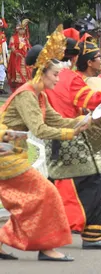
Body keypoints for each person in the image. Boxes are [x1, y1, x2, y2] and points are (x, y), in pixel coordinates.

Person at [0, 27, 91, 262]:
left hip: (13, 152)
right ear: (41, 73)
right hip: (4, 152)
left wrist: (81, 121)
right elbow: (40, 130)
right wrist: (70, 134)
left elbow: (55, 120)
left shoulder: (39, 95)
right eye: (55, 75)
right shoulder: (26, 95)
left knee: (30, 200)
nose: (58, 79)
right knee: (47, 192)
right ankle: (47, 247)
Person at [45, 32, 101, 250]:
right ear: (75, 58)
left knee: (58, 182)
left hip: (53, 136)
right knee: (96, 179)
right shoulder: (69, 77)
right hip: (72, 136)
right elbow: (90, 100)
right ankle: (89, 235)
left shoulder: (45, 75)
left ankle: (57, 228)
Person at [7, 20, 32, 92]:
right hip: (16, 58)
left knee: (25, 72)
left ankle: (24, 89)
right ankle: (17, 89)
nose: (23, 31)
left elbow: (28, 46)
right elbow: (11, 46)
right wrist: (16, 52)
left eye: (24, 29)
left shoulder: (25, 38)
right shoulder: (13, 37)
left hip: (24, 58)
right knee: (16, 73)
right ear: (17, 30)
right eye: (21, 29)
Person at [0, 18, 8, 95]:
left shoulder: (2, 36)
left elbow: (4, 48)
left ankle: (1, 89)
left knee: (2, 72)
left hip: (1, 56)